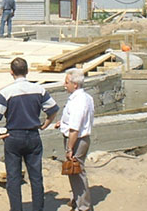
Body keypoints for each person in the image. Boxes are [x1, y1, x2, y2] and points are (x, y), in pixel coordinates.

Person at [0, 57, 59, 211]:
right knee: (36, 177)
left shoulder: (6, 92)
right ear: (27, 71)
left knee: (13, 178)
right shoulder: (39, 90)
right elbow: (53, 109)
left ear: (11, 72)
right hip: (33, 136)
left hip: (13, 137)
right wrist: (45, 124)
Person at [56, 68, 95, 211]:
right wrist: (63, 123)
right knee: (74, 172)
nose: (64, 85)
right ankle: (77, 200)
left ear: (75, 85)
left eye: (67, 82)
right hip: (79, 139)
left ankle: (83, 207)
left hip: (76, 140)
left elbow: (75, 128)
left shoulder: (78, 101)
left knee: (77, 172)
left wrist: (69, 148)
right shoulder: (85, 98)